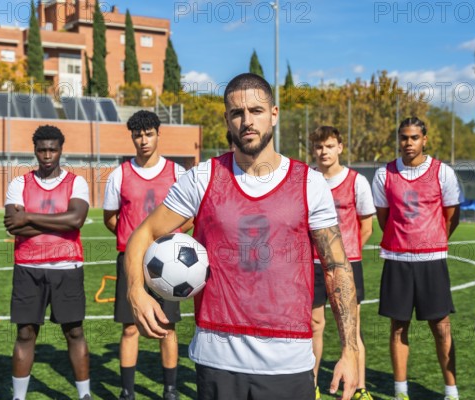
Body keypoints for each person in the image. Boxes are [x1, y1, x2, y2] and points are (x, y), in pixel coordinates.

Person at [125, 73, 359, 400]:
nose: (247, 121)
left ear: (274, 114)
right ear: (227, 119)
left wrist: (350, 350)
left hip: (288, 361)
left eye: (256, 111)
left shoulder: (309, 183)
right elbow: (144, 233)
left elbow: (336, 267)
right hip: (216, 358)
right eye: (237, 113)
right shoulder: (203, 178)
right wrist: (136, 291)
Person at [372, 117, 461, 400]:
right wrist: (402, 241)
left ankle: (451, 390)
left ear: (425, 139)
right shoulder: (383, 175)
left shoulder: (443, 173)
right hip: (397, 260)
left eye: (413, 138)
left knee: (441, 326)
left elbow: (451, 217)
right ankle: (401, 391)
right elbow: (383, 219)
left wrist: (430, 240)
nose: (408, 143)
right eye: (403, 137)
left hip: (431, 260)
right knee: (398, 326)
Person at [103, 110, 190, 400]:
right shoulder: (119, 175)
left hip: (170, 263)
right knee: (130, 328)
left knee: (167, 327)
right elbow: (111, 219)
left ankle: (170, 390)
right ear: (132, 137)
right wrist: (135, 243)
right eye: (137, 135)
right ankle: (127, 392)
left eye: (148, 133)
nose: (143, 140)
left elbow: (190, 215)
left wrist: (168, 241)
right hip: (132, 262)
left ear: (158, 134)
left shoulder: (178, 173)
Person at [3, 125, 92, 400]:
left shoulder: (77, 182)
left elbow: (76, 220)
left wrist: (29, 216)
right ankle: (19, 397)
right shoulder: (19, 183)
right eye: (42, 150)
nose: (47, 155)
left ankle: (84, 395)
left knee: (75, 332)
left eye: (53, 149)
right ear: (35, 151)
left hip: (68, 267)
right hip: (28, 268)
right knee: (26, 334)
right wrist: (60, 223)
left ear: (61, 150)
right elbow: (13, 227)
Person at [309, 126, 375, 400]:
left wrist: (343, 259)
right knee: (314, 325)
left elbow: (366, 226)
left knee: (351, 327)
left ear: (340, 148)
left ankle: (360, 388)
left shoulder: (357, 181)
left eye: (329, 145)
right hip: (312, 263)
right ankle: (310, 385)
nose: (324, 151)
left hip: (347, 265)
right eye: (319, 146)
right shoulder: (308, 181)